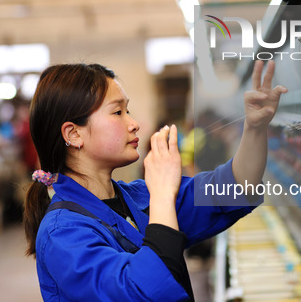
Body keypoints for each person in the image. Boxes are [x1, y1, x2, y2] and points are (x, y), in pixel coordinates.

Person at [23, 60, 287, 301]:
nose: (134, 123)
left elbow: (234, 189)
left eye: (129, 110)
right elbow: (139, 292)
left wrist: (255, 128)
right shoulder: (63, 234)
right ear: (74, 134)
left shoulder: (138, 197)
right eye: (118, 113)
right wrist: (162, 194)